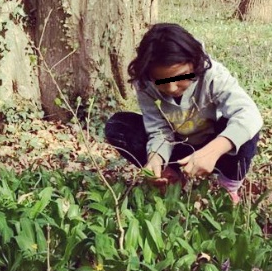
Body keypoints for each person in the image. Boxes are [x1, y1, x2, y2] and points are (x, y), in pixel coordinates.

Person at [105, 23, 262, 203]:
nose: (172, 88)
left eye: (180, 77)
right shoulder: (145, 84)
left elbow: (249, 114)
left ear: (194, 64)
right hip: (179, 146)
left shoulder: (213, 74)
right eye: (161, 81)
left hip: (216, 147)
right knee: (118, 126)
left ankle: (227, 188)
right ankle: (169, 176)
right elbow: (158, 129)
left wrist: (213, 151)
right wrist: (155, 157)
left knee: (244, 124)